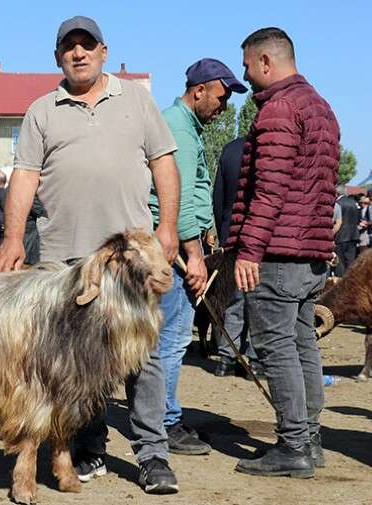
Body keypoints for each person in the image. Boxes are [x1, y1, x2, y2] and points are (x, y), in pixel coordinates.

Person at [0, 15, 182, 494]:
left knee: (144, 358)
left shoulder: (137, 98)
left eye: (87, 45)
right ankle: (90, 446)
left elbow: (164, 163)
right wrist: (14, 237)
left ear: (103, 51)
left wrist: (167, 228)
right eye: (69, 47)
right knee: (74, 360)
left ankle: (153, 454)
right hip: (66, 259)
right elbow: (25, 176)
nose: (78, 53)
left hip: (130, 259)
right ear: (59, 56)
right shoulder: (42, 110)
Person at [228, 27, 339, 478]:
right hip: (309, 252)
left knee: (276, 348)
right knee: (301, 345)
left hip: (277, 252)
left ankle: (293, 446)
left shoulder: (278, 108)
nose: (246, 73)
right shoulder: (320, 107)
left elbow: (268, 190)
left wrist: (249, 250)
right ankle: (309, 441)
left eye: (248, 65)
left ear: (266, 62)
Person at [147, 58, 248, 454]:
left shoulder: (186, 127)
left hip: (183, 245)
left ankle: (165, 414)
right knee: (172, 340)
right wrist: (194, 256)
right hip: (174, 251)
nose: (223, 107)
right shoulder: (179, 131)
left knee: (169, 338)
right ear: (200, 90)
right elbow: (179, 200)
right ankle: (165, 422)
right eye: (221, 98)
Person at [212, 137, 261, 377]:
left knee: (236, 296)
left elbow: (218, 195)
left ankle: (226, 357)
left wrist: (224, 234)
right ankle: (254, 358)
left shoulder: (230, 148)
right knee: (258, 297)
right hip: (260, 234)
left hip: (231, 231)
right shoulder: (268, 146)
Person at [332, 185, 359, 275]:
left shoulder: (337, 203)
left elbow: (335, 221)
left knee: (340, 263)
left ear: (336, 193)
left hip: (340, 236)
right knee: (351, 262)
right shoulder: (353, 203)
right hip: (353, 235)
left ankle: (340, 282)